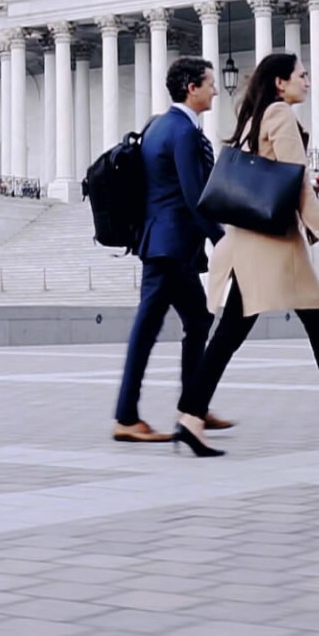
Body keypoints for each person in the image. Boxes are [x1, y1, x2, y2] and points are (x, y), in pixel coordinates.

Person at [174, 53, 319, 458]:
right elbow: (293, 184)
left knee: (232, 335)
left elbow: (275, 178)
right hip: (274, 247)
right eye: (302, 75)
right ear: (281, 82)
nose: (308, 81)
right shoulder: (279, 113)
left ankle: (191, 417)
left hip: (251, 241)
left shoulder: (257, 114)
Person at [113, 57, 230, 443]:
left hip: (167, 245)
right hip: (170, 247)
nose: (216, 89)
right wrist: (221, 239)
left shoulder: (158, 125)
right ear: (191, 88)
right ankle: (127, 417)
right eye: (210, 83)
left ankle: (192, 406)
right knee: (146, 330)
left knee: (197, 321)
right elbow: (194, 194)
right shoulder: (181, 131)